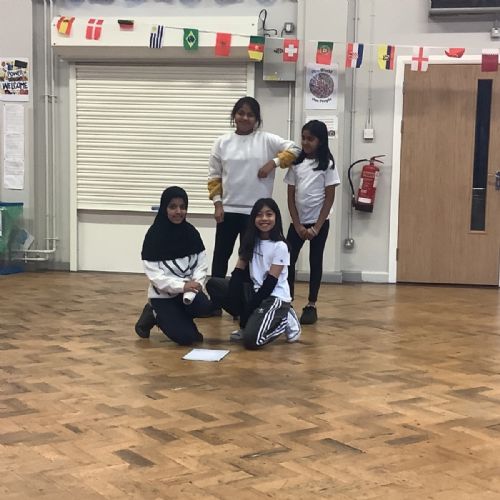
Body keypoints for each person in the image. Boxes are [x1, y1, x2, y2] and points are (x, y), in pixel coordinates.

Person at [208, 96, 301, 281]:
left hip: (256, 214)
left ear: (257, 119)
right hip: (228, 210)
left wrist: (273, 163)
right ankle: (216, 295)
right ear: (234, 115)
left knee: (250, 258)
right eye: (241, 113)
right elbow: (214, 176)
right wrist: (218, 204)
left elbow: (296, 150)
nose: (245, 118)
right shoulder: (221, 142)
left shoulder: (267, 140)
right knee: (220, 256)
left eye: (250, 115)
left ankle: (246, 294)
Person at [206, 198, 301, 350]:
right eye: (259, 215)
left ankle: (285, 318)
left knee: (251, 340)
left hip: (273, 297)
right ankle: (253, 321)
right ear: (253, 219)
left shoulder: (280, 246)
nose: (264, 218)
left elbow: (270, 283)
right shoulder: (250, 241)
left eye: (269, 214)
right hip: (255, 292)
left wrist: (250, 308)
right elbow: (238, 271)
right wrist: (235, 301)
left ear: (276, 217)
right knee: (214, 284)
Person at [134, 186, 213, 345]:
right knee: (187, 339)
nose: (178, 211)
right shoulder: (154, 236)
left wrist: (197, 283)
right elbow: (156, 277)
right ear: (164, 208)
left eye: (182, 207)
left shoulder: (191, 232)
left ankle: (179, 320)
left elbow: (201, 265)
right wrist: (182, 286)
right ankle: (153, 313)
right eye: (173, 207)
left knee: (206, 307)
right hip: (163, 296)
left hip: (187, 292)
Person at [284, 120, 340, 325]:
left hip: (319, 224)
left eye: (311, 139)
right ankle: (287, 301)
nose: (306, 142)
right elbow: (290, 197)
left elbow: (329, 199)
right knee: (287, 260)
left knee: (315, 262)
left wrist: (316, 227)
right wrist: (298, 225)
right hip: (298, 223)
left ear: (321, 141)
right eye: (303, 138)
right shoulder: (296, 164)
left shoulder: (328, 165)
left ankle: (311, 304)